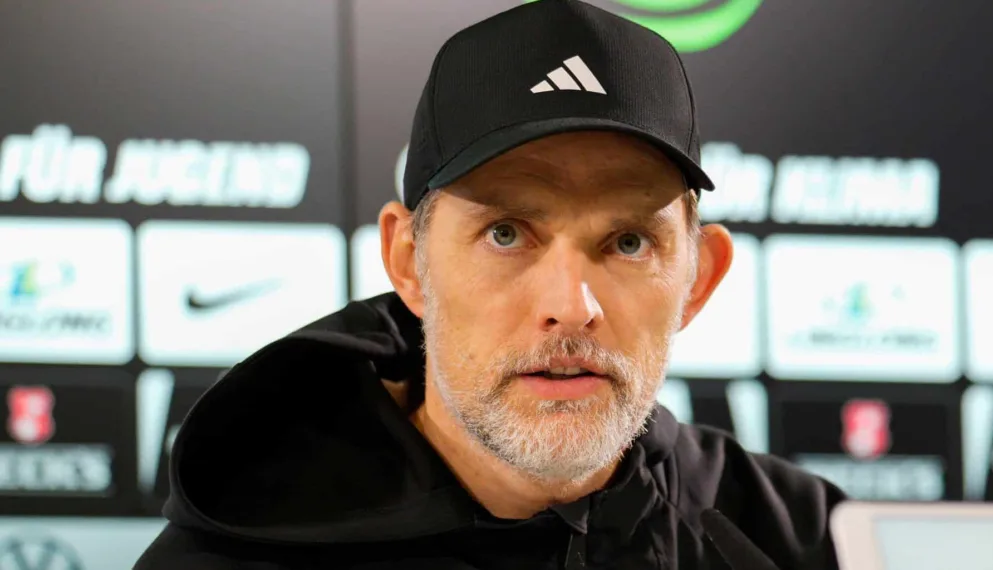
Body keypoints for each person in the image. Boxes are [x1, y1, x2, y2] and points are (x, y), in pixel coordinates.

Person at [134, 1, 845, 568]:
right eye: (506, 233)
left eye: (628, 241)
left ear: (698, 279)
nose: (572, 306)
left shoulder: (815, 543)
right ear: (409, 261)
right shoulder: (234, 555)